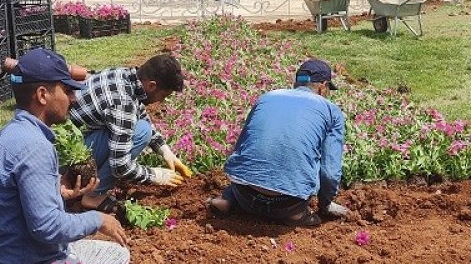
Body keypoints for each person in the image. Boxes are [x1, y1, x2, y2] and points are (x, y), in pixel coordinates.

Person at [0, 48, 130, 264]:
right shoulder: (35, 147)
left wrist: (55, 191)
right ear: (42, 95)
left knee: (107, 255)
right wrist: (98, 219)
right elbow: (47, 228)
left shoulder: (9, 136)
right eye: (67, 91)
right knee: (118, 257)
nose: (73, 98)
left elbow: (10, 202)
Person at [208, 59, 349, 227]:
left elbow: (241, 145)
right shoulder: (331, 111)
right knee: (312, 159)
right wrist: (325, 204)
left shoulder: (267, 97)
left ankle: (227, 199)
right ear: (322, 86)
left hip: (245, 196)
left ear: (296, 82)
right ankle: (297, 215)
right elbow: (330, 173)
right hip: (287, 204)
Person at [68, 54, 190, 214]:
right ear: (152, 86)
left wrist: (164, 150)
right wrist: (155, 175)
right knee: (141, 132)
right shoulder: (122, 103)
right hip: (65, 163)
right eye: (164, 96)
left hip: (70, 145)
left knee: (141, 127)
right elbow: (120, 166)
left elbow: (138, 113)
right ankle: (94, 196)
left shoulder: (124, 75)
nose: (161, 101)